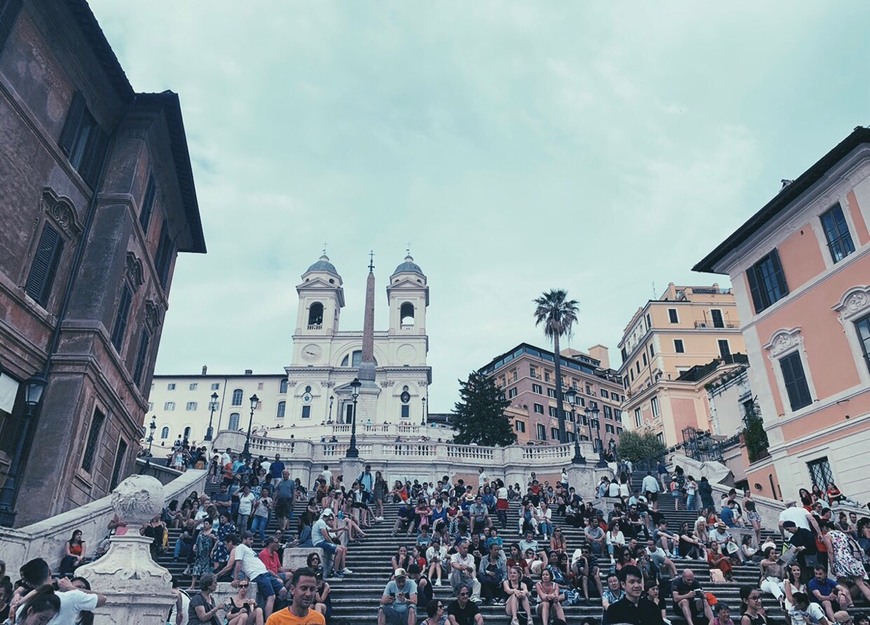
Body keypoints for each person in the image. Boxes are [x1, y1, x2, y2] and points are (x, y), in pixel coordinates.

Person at [16, 557, 106, 624]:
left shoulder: (23, 607)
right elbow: (102, 599)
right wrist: (71, 588)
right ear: (49, 572)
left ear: (30, 583)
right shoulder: (71, 597)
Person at [216, 533, 283, 620]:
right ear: (244, 539)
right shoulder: (240, 547)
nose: (252, 541)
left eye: (253, 539)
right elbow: (238, 564)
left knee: (283, 591)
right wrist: (236, 579)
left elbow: (248, 564)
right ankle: (269, 621)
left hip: (265, 573)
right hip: (258, 574)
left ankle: (276, 613)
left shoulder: (250, 550)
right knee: (271, 597)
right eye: (250, 539)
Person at [311, 509, 350, 578]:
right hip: (319, 542)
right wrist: (333, 544)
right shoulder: (321, 523)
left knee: (343, 548)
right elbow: (326, 536)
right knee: (339, 550)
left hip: (322, 542)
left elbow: (331, 530)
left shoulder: (322, 523)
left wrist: (342, 528)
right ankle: (335, 571)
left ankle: (342, 568)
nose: (331, 519)